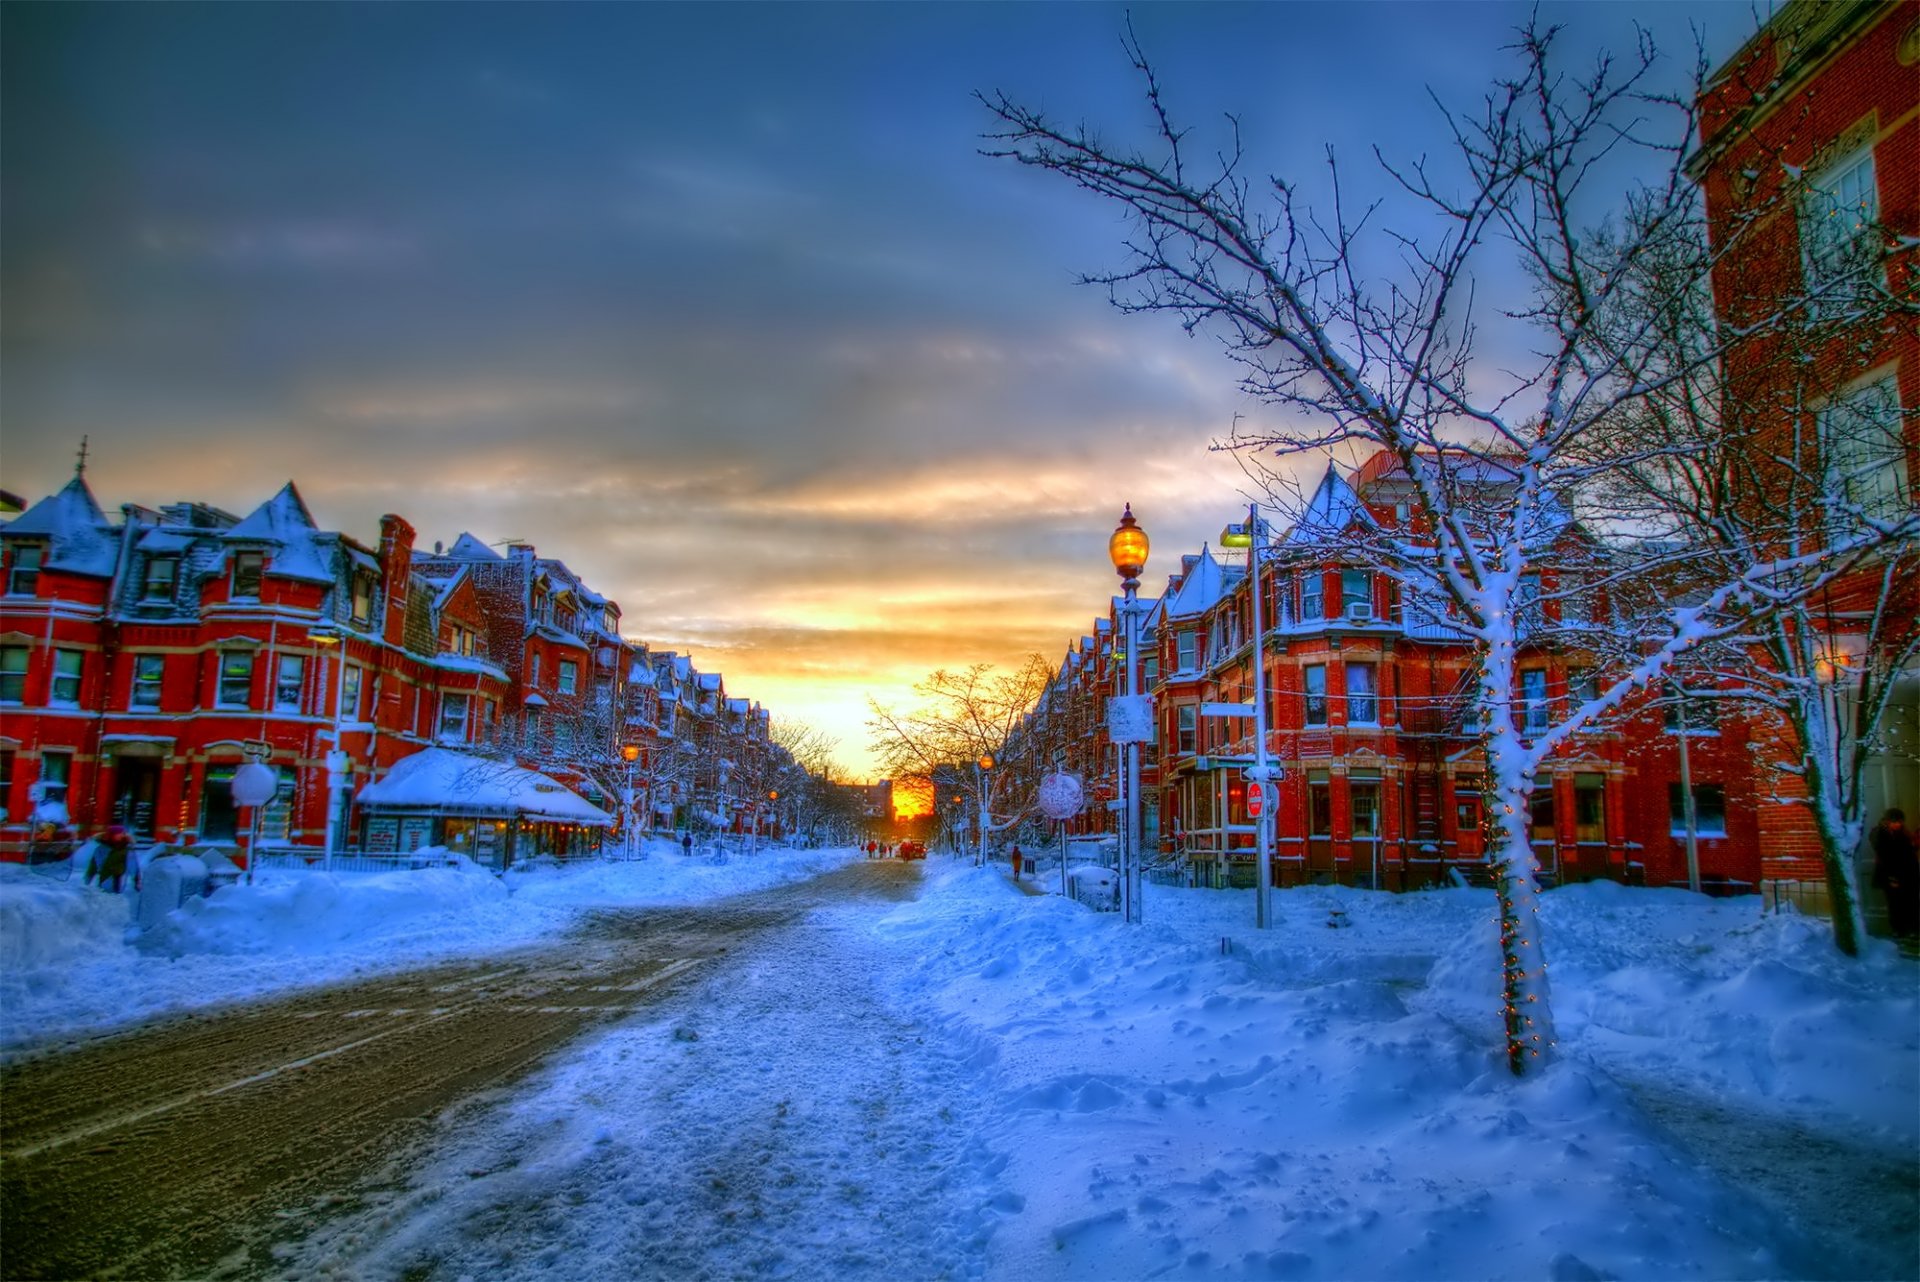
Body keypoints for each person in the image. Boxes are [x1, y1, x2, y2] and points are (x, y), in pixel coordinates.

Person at [1870, 808, 1917, 941]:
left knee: (1911, 902)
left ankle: (1912, 929)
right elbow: (1885, 857)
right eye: (1895, 822)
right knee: (1895, 904)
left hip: (1908, 873)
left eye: (1900, 822)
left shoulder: (1903, 833)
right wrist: (1891, 877)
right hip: (1891, 874)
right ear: (1888, 821)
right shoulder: (1880, 833)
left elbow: (1909, 851)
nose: (1898, 824)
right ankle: (1898, 930)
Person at [96, 825, 137, 894]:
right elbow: (94, 863)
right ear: (112, 835)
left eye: (122, 833)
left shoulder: (126, 849)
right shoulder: (102, 848)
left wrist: (136, 880)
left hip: (119, 878)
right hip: (104, 877)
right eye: (119, 833)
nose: (121, 835)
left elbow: (133, 865)